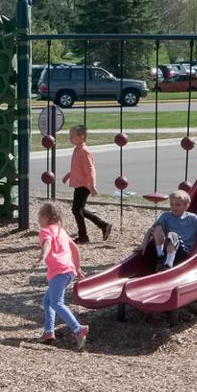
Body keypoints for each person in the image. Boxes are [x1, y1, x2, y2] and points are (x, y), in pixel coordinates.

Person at [33, 201, 88, 349]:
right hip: (68, 272)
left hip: (58, 272)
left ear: (45, 217)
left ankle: (78, 329)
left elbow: (47, 244)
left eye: (39, 215)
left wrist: (42, 257)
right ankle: (48, 332)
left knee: (57, 302)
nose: (38, 219)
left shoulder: (45, 231)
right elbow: (75, 249)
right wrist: (77, 267)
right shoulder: (62, 231)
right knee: (47, 301)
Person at [140, 188, 197, 269]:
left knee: (172, 234)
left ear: (186, 206)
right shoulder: (166, 215)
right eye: (172, 204)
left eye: (178, 205)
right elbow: (151, 229)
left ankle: (168, 264)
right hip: (167, 249)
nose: (174, 207)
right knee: (158, 227)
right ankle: (160, 255)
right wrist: (143, 245)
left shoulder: (192, 218)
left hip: (182, 252)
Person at [64, 123, 112, 243]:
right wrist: (69, 175)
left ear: (82, 136)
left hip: (84, 185)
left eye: (73, 136)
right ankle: (103, 225)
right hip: (80, 184)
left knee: (76, 210)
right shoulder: (77, 150)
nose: (70, 138)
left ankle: (83, 236)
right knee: (80, 210)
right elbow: (79, 168)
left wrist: (92, 186)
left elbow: (90, 169)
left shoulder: (84, 152)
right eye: (70, 136)